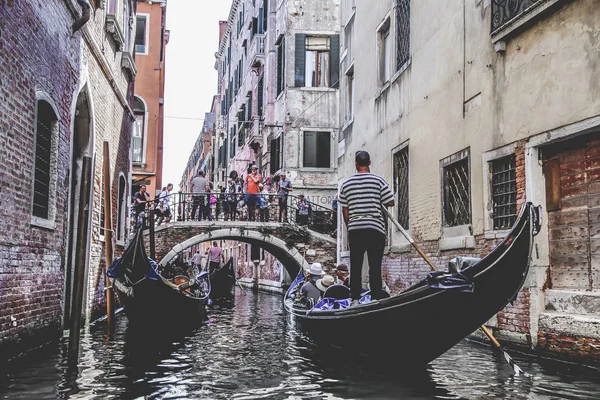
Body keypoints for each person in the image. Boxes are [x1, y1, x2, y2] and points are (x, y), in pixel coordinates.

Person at [339, 150, 395, 307]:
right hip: (375, 229)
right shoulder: (378, 181)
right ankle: (375, 298)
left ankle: (355, 300)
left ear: (355, 164)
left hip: (355, 229)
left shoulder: (346, 184)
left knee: (355, 266)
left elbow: (345, 209)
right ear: (369, 163)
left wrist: (350, 226)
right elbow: (390, 202)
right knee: (374, 266)